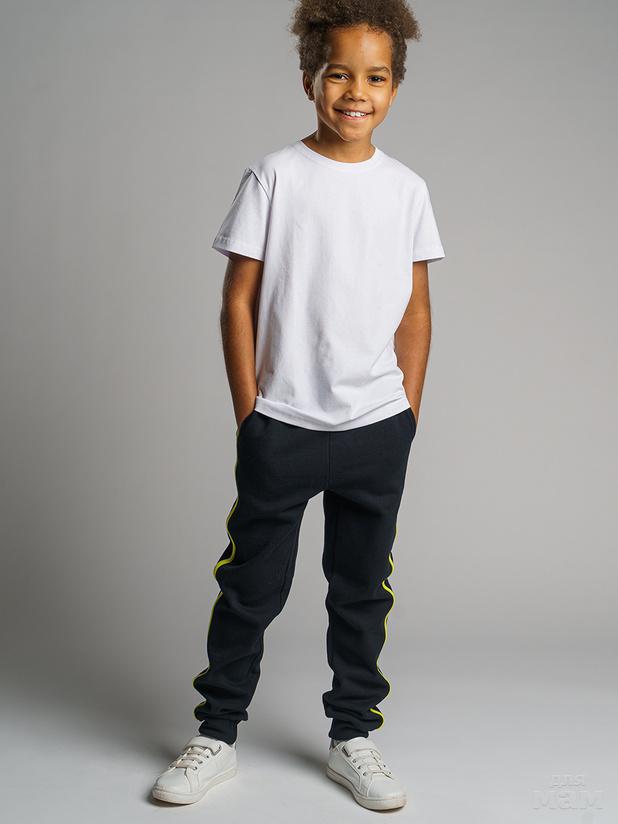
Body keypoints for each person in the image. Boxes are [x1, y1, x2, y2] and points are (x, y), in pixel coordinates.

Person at [151, 0, 445, 812]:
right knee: (251, 586)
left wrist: (407, 413)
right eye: (339, 74)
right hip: (282, 426)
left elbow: (417, 311)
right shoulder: (274, 176)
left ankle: (354, 735)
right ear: (309, 78)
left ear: (395, 88)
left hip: (376, 428)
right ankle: (216, 735)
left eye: (375, 77)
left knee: (362, 590)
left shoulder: (407, 190)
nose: (356, 92)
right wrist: (251, 412)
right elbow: (237, 301)